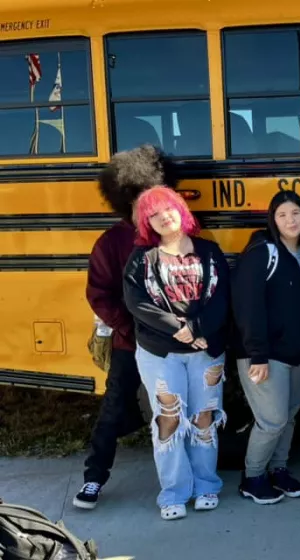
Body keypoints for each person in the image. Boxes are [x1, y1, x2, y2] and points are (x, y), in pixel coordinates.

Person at [74, 145, 179, 510]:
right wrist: (128, 328)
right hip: (130, 343)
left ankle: (181, 477)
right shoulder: (111, 242)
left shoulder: (171, 235)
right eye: (139, 199)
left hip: (170, 344)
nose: (147, 207)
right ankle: (93, 479)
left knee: (176, 407)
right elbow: (99, 294)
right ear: (125, 199)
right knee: (114, 407)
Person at [123, 186, 230, 520]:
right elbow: (136, 302)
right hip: (160, 351)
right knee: (168, 419)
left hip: (206, 348)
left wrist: (198, 331)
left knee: (204, 417)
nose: (162, 217)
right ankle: (173, 492)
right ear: (147, 223)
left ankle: (206, 485)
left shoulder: (210, 252)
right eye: (153, 214)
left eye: (167, 209)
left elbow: (223, 298)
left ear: (181, 210)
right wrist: (180, 330)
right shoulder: (142, 258)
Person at [232, 190, 300, 504]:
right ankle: (253, 476)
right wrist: (257, 353)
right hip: (265, 355)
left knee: (288, 416)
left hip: (298, 353)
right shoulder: (263, 252)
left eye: (296, 213)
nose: (290, 220)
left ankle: (279, 470)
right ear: (273, 219)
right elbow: (248, 307)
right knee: (272, 419)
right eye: (283, 214)